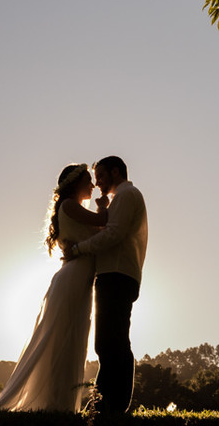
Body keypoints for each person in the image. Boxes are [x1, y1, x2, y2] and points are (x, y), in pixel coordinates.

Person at [0, 164, 108, 412]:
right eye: (88, 181)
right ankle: (53, 402)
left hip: (79, 281)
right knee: (60, 338)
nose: (93, 186)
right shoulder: (69, 206)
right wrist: (104, 205)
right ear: (75, 183)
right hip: (72, 280)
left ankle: (61, 403)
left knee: (73, 339)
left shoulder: (72, 207)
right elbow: (102, 222)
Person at [65, 155, 148, 414]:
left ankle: (111, 405)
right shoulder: (120, 199)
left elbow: (113, 235)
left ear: (115, 172)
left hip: (117, 274)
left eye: (100, 176)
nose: (97, 182)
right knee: (109, 341)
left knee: (113, 342)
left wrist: (77, 249)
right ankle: (105, 402)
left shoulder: (126, 195)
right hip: (117, 273)